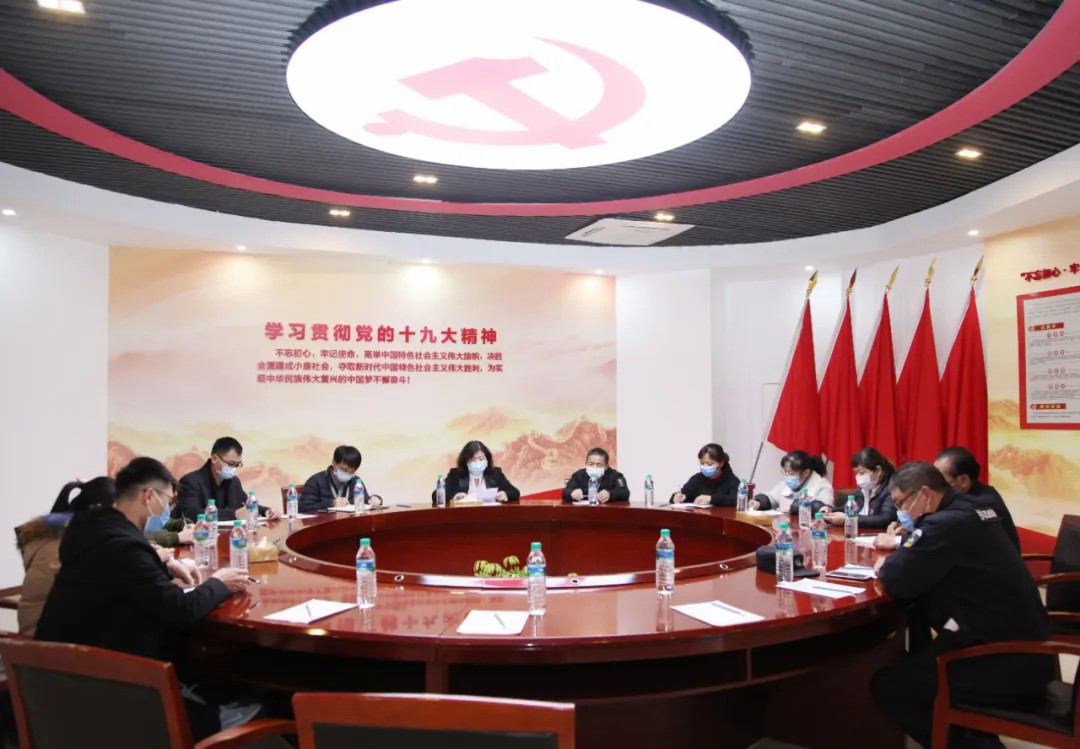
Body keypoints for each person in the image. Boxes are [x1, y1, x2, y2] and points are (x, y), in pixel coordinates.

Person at [35, 457, 251, 741]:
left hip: (57, 686)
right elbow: (182, 610)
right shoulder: (124, 548)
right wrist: (219, 583)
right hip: (109, 700)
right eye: (167, 501)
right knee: (238, 703)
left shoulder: (92, 531)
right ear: (148, 496)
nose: (166, 510)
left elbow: (117, 574)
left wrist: (161, 564)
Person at [869, 462, 1053, 749]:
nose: (901, 511)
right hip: (1028, 649)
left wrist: (887, 564)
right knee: (919, 651)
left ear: (925, 494)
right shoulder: (972, 509)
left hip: (1004, 660)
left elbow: (897, 580)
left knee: (892, 687)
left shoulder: (944, 525)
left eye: (901, 503)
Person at [15, 478, 116, 637]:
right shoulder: (74, 541)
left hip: (32, 634)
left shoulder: (50, 535)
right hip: (50, 641)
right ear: (98, 509)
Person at [934, 446, 1020, 552]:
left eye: (941, 481)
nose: (934, 486)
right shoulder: (978, 493)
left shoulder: (980, 504)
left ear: (963, 481)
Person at [176, 436, 277, 522]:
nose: (234, 468)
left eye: (237, 464)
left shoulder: (233, 481)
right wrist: (234, 514)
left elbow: (245, 505)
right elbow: (191, 514)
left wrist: (266, 511)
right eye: (231, 464)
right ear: (214, 459)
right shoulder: (190, 482)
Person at [824, 447, 897, 529]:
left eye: (862, 473)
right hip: (858, 532)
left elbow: (885, 519)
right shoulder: (862, 488)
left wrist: (849, 519)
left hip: (877, 534)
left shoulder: (891, 489)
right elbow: (848, 508)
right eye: (856, 473)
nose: (858, 477)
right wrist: (830, 511)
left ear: (878, 470)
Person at [299, 445, 383, 511]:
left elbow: (365, 500)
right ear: (334, 462)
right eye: (344, 469)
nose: (348, 474)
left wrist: (376, 499)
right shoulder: (315, 481)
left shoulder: (355, 481)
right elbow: (303, 507)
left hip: (350, 523)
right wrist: (332, 503)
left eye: (352, 472)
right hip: (324, 525)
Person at [435, 441, 520, 505]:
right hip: (463, 516)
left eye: (481, 459)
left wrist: (505, 494)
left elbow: (515, 492)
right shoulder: (456, 474)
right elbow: (436, 495)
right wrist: (455, 497)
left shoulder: (495, 473)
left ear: (487, 459)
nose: (477, 462)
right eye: (472, 459)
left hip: (490, 516)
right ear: (465, 461)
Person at [751, 450, 834, 514]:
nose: (787, 477)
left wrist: (793, 507)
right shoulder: (785, 484)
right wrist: (759, 502)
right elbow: (772, 497)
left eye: (791, 473)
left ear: (806, 473)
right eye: (785, 472)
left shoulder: (822, 486)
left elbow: (821, 507)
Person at [670, 443, 739, 506]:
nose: (705, 466)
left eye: (709, 464)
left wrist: (711, 499)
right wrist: (678, 496)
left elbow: (736, 500)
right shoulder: (697, 479)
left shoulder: (732, 481)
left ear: (721, 463)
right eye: (702, 463)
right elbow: (686, 494)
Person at [562, 448, 629, 503]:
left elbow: (624, 492)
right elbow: (565, 492)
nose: (594, 467)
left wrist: (610, 494)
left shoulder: (615, 476)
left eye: (599, 464)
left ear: (606, 466)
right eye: (591, 464)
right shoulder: (579, 475)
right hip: (583, 511)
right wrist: (571, 493)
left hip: (607, 511)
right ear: (586, 463)